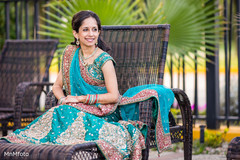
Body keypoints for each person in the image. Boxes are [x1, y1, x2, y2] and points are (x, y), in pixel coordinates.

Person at [1, 10, 174, 160]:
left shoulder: (104, 60)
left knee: (64, 112)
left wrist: (80, 98)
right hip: (74, 108)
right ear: (76, 33)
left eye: (94, 29)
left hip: (103, 113)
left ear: (99, 32)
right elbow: (56, 87)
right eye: (85, 30)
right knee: (59, 110)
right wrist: (64, 100)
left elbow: (114, 96)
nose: (91, 34)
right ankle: (35, 147)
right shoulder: (70, 54)